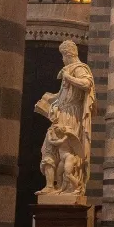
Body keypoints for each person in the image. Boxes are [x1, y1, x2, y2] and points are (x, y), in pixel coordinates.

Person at [37, 40, 96, 197]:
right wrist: (49, 99)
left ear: (68, 54)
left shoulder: (79, 68)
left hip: (71, 115)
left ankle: (69, 186)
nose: (62, 59)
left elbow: (86, 84)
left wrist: (68, 76)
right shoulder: (69, 70)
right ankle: (50, 186)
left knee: (66, 151)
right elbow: (64, 95)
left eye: (63, 56)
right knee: (48, 149)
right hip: (61, 113)